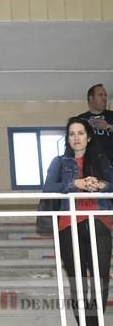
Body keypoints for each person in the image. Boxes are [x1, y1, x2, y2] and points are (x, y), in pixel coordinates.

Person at [43, 116, 113, 326]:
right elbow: (48, 189)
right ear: (67, 139)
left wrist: (100, 185)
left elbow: (111, 183)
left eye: (80, 133)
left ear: (89, 137)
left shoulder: (101, 161)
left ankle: (95, 322)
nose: (76, 137)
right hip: (68, 224)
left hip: (99, 221)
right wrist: (75, 183)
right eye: (71, 134)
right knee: (78, 282)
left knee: (100, 280)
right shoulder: (59, 161)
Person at [78, 83, 113, 165]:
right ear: (91, 98)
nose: (104, 98)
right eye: (100, 95)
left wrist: (108, 126)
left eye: (105, 95)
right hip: (90, 165)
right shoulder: (81, 119)